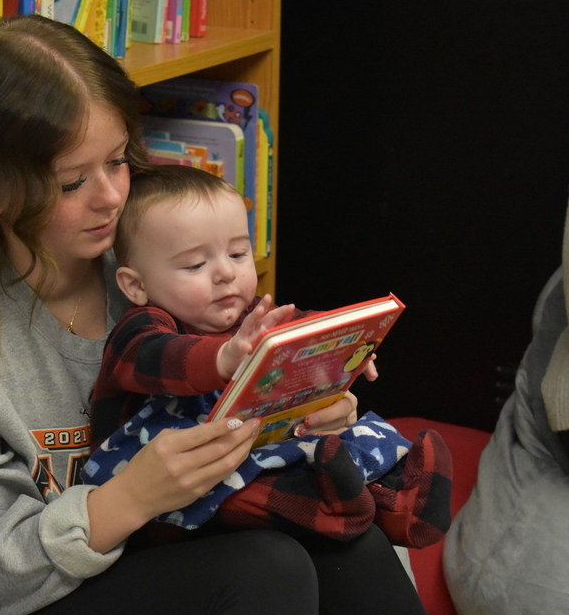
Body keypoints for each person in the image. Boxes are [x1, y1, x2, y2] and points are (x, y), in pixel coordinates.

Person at [0, 14, 443, 615]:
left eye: (118, 161)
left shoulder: (141, 263)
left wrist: (307, 401)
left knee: (345, 543)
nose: (112, 197)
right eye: (73, 182)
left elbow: (218, 386)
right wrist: (133, 495)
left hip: (131, 547)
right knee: (267, 572)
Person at [84, 165, 452, 549]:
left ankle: (403, 506)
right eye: (195, 264)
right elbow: (157, 356)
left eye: (238, 253)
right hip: (165, 493)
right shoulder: (140, 328)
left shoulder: (250, 317)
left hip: (252, 452)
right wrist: (222, 358)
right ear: (136, 285)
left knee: (356, 437)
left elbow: (304, 326)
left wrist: (349, 345)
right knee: (254, 486)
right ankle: (327, 509)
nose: (225, 273)